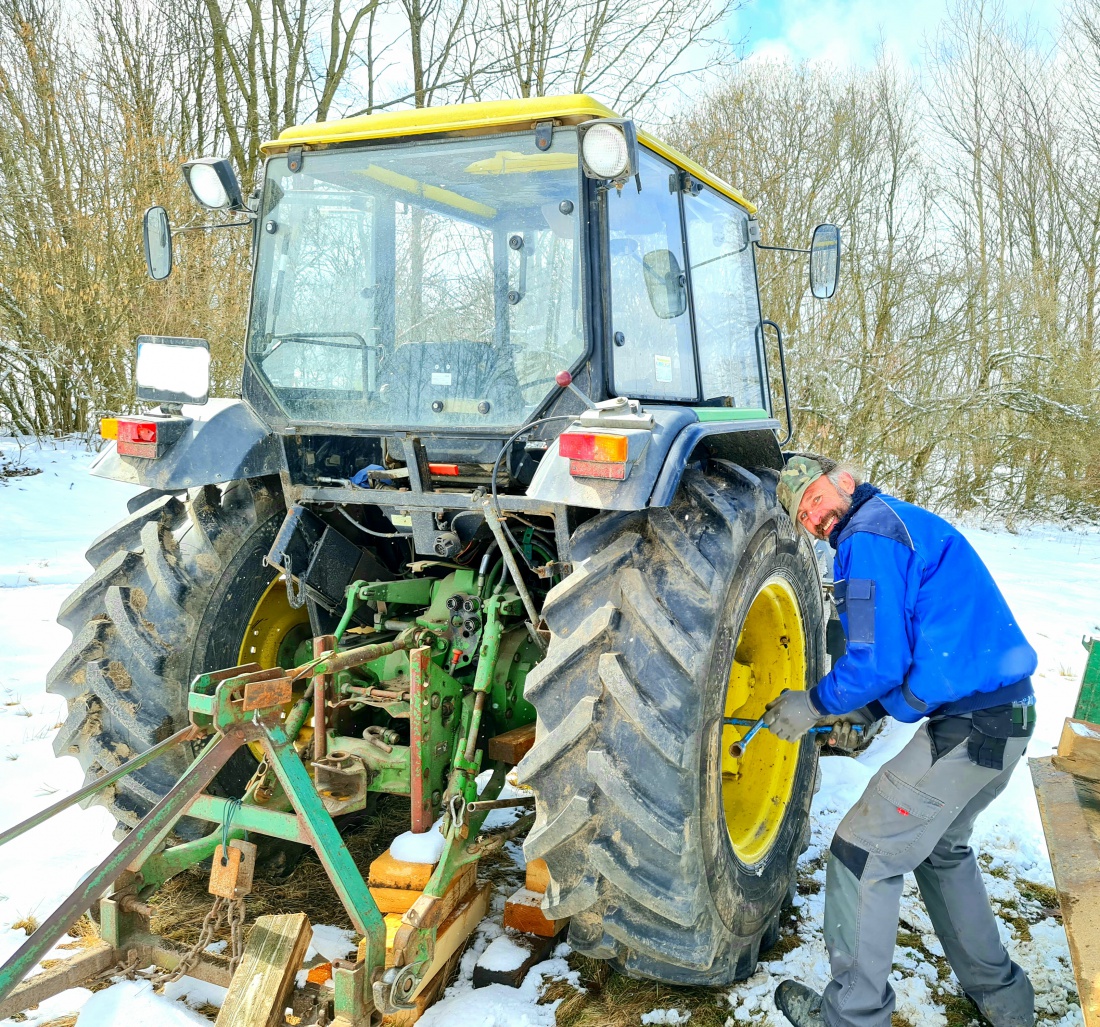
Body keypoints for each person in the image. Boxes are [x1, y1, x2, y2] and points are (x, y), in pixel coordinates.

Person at [765, 454, 1037, 1027]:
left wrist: (810, 704)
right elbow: (916, 644)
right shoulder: (895, 521)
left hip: (972, 728)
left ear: (843, 480)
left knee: (861, 851)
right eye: (802, 516)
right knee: (942, 849)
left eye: (814, 499)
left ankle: (852, 1016)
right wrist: (873, 705)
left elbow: (879, 660)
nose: (813, 518)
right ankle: (1005, 1004)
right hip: (1008, 716)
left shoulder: (866, 538)